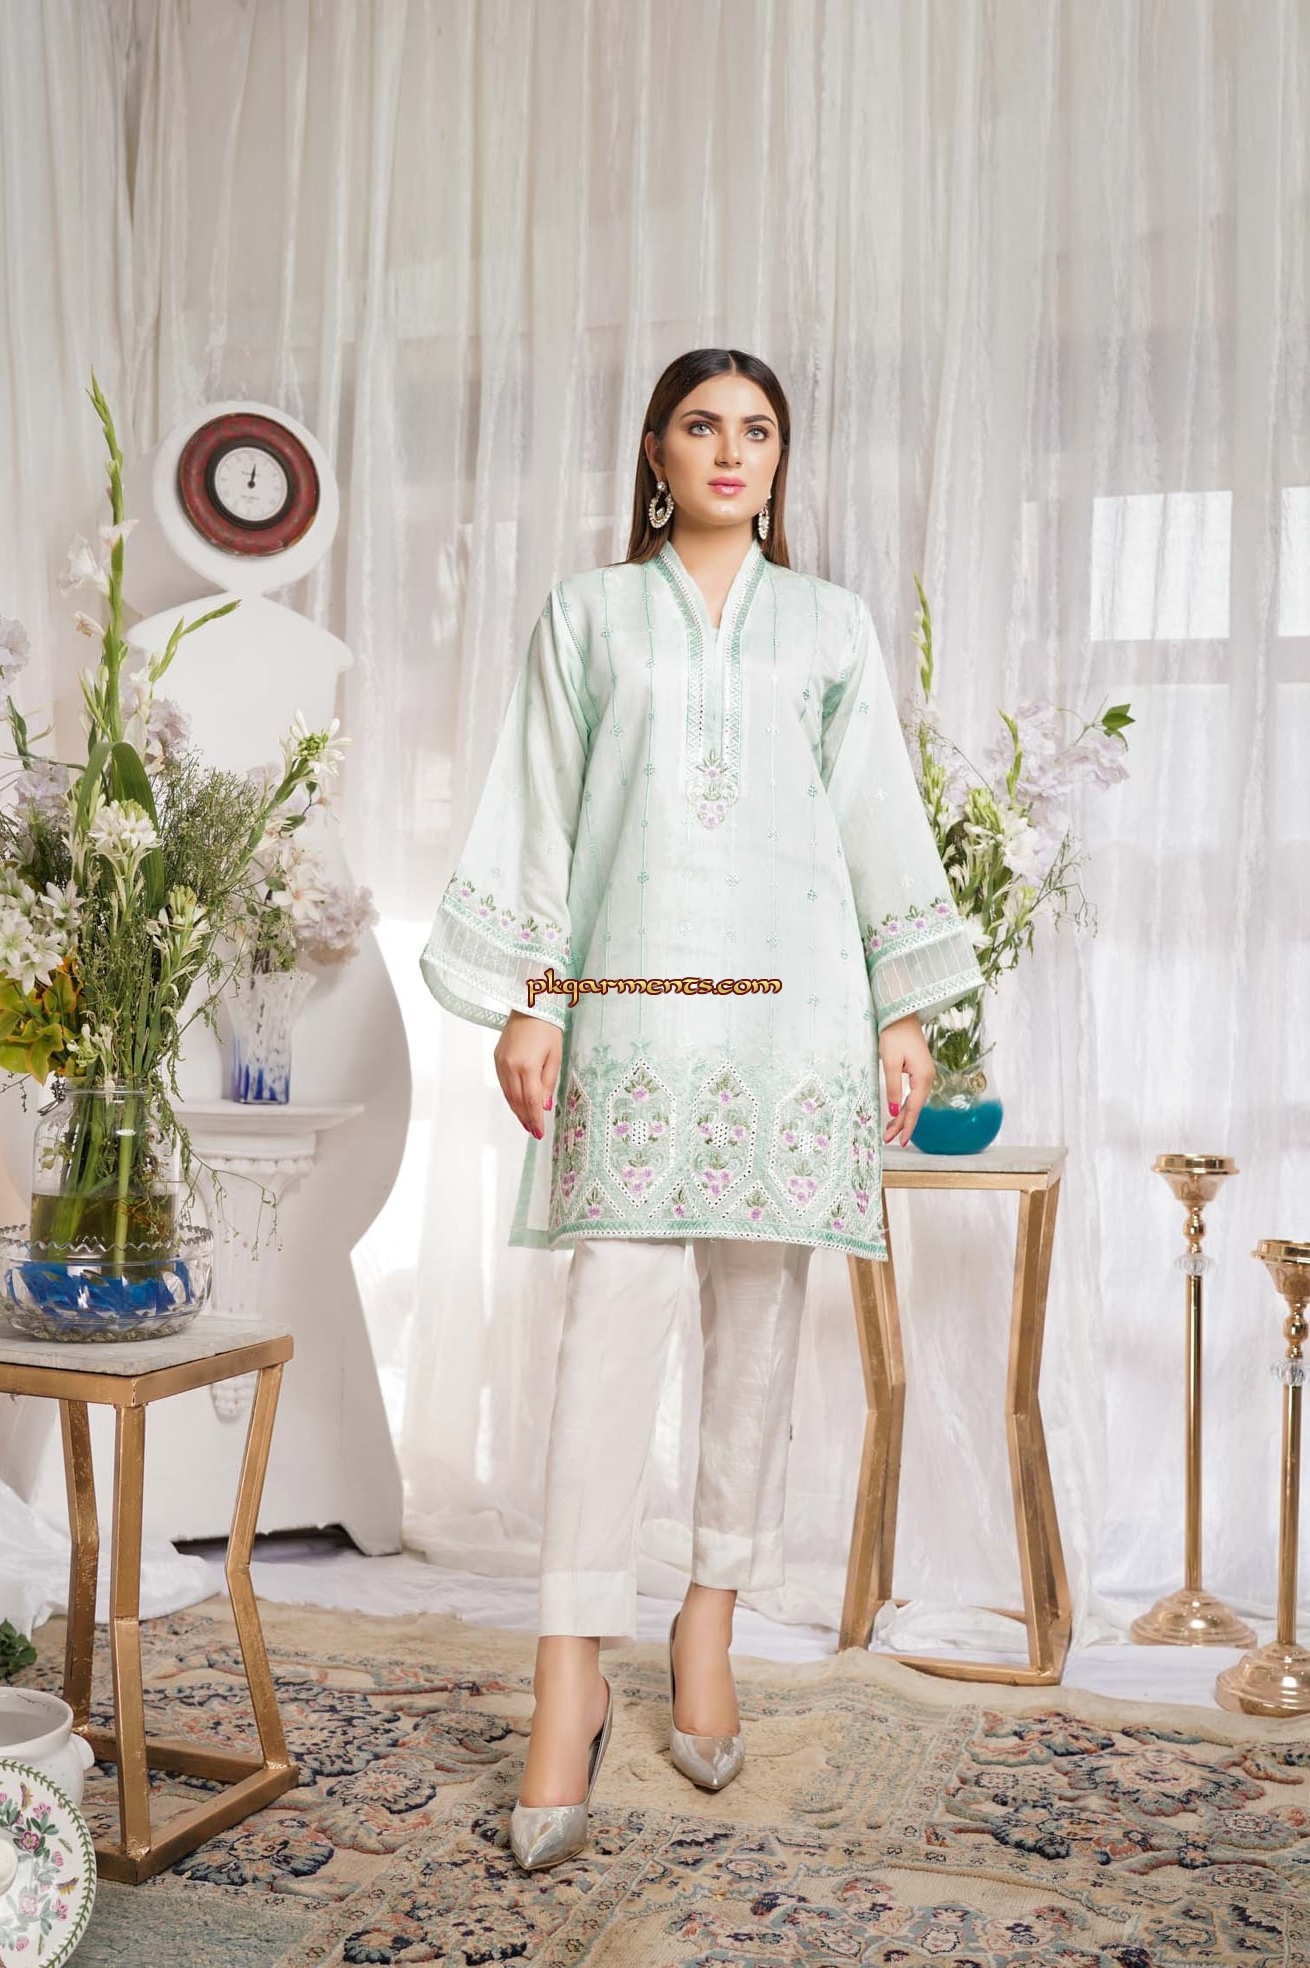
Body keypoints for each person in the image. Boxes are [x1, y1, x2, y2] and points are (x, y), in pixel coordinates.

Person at [419, 348, 984, 1870]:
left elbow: (873, 817)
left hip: (793, 1022)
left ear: (778, 461)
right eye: (700, 426)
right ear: (655, 454)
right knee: (609, 1332)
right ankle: (568, 1678)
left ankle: (709, 1621)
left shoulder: (830, 628)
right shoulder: (589, 616)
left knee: (755, 1334)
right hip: (635, 1008)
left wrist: (901, 1005)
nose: (730, 451)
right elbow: (542, 814)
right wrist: (536, 997)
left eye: (756, 431)